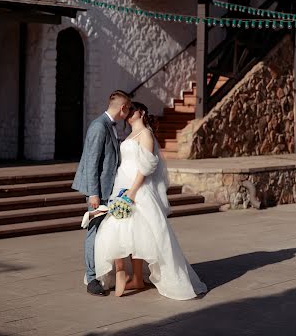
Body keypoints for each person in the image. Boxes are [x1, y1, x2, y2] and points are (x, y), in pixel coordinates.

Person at [94, 102, 207, 300]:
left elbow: (146, 167)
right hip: (123, 185)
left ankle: (137, 277)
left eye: (133, 110)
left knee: (141, 232)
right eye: (127, 110)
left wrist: (133, 191)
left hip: (137, 189)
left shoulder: (145, 134)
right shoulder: (129, 135)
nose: (129, 114)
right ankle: (129, 273)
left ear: (142, 112)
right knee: (123, 229)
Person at [72, 90, 132, 296]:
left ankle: (102, 272)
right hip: (98, 190)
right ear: (123, 108)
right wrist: (93, 194)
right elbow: (91, 162)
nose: (129, 113)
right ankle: (91, 279)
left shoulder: (110, 126)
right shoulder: (99, 126)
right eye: (129, 108)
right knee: (94, 232)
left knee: (103, 233)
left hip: (108, 189)